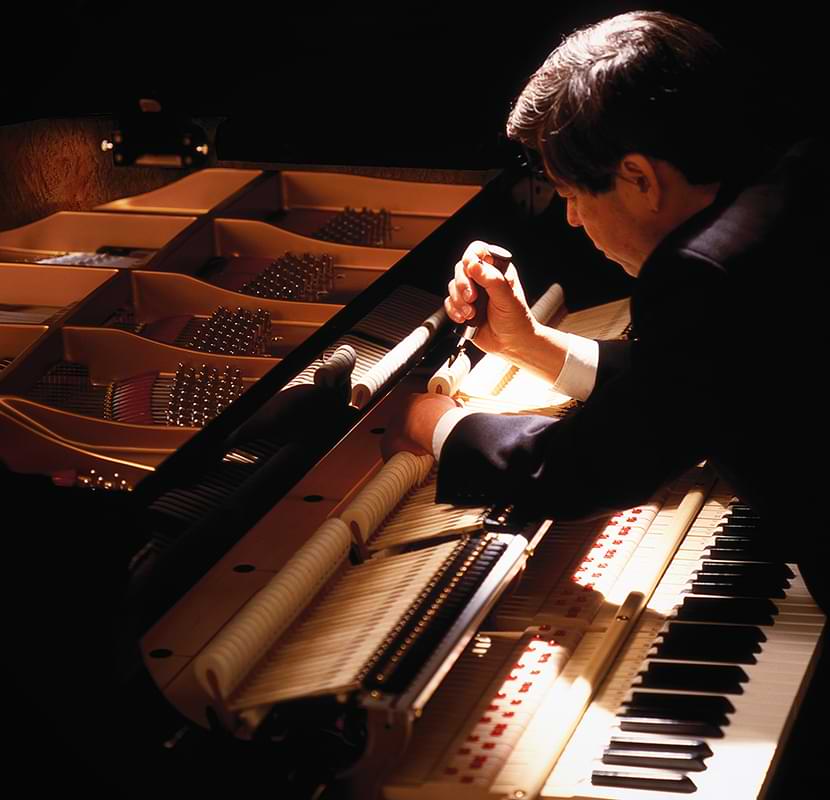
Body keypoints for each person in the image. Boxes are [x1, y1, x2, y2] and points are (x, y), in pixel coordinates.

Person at [385, 9, 825, 574]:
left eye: (572, 195)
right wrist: (531, 343)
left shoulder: (701, 272)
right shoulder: (800, 174)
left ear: (640, 179)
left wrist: (431, 420)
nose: (571, 220)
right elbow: (694, 376)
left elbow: (587, 469)